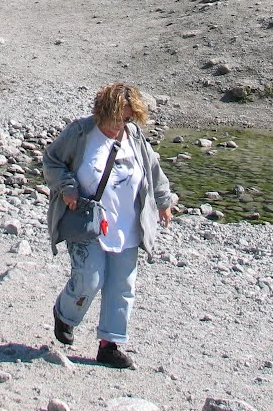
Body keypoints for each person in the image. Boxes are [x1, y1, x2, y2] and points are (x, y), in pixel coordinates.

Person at [43, 83, 174, 369]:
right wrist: (67, 187)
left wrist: (163, 202)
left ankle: (109, 345)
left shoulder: (135, 137)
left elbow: (153, 170)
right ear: (104, 112)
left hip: (127, 224)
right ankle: (65, 314)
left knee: (122, 286)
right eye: (119, 117)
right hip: (88, 223)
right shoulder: (80, 133)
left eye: (128, 118)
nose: (123, 124)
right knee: (89, 279)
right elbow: (52, 161)